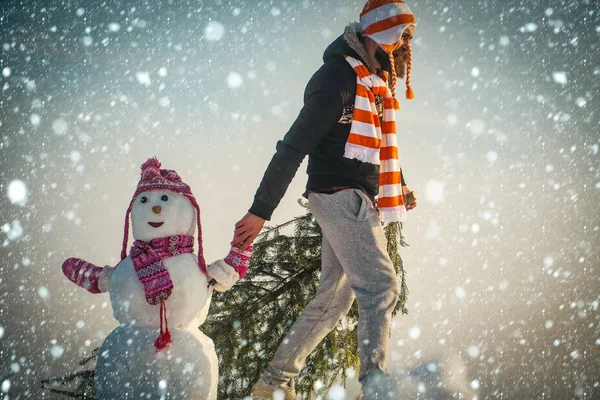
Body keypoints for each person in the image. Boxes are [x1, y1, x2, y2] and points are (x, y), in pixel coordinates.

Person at [232, 1, 418, 398]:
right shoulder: (338, 78)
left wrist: (398, 185)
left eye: (405, 37)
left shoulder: (375, 81)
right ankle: (378, 388)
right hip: (340, 195)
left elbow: (383, 146)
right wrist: (260, 210)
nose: (403, 44)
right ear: (376, 32)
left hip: (357, 196)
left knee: (334, 298)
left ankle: (274, 385)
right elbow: (293, 146)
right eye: (398, 34)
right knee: (381, 287)